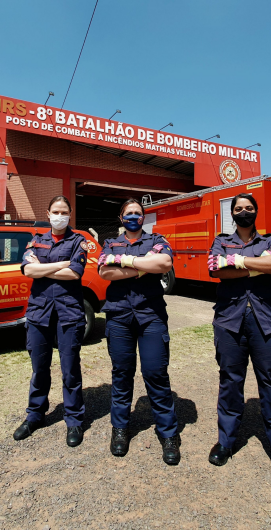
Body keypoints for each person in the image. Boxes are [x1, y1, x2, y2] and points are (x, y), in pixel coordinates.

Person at [207, 193, 271, 486]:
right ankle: (226, 442)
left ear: (256, 211)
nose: (243, 211)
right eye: (238, 208)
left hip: (267, 322)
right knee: (230, 382)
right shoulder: (221, 240)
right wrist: (260, 264)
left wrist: (238, 261)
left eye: (248, 208)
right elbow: (216, 269)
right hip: (229, 321)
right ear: (231, 214)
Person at [97, 198, 181, 465]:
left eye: (138, 213)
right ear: (121, 217)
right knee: (121, 373)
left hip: (151, 316)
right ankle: (120, 429)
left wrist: (126, 262)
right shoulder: (110, 243)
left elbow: (164, 264)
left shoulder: (157, 239)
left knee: (156, 373)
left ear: (144, 217)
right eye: (129, 213)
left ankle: (168, 434)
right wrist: (142, 266)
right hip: (119, 317)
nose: (134, 216)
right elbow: (105, 272)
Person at [14, 195, 89, 447]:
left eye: (64, 211)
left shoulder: (79, 240)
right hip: (39, 313)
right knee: (39, 368)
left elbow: (74, 273)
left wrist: (45, 268)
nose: (60, 215)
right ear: (48, 213)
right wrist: (62, 264)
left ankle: (74, 419)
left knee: (70, 369)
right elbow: (27, 270)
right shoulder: (37, 240)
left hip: (68, 313)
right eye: (55, 211)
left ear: (70, 214)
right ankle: (35, 415)